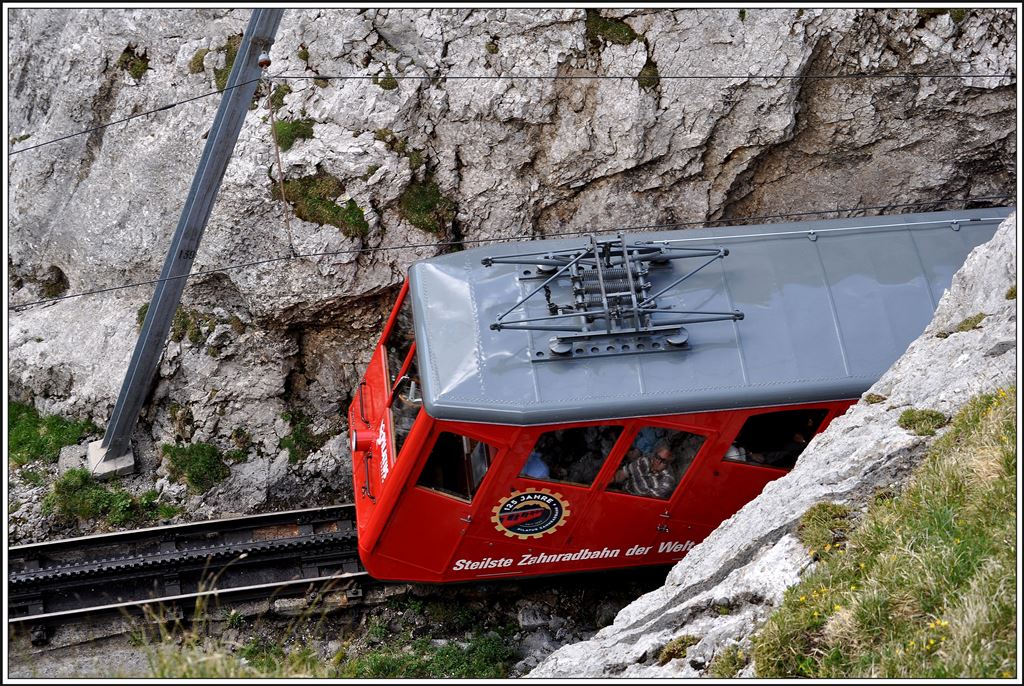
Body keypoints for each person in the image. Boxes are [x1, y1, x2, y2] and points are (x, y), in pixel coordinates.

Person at [614, 440, 679, 499]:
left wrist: (619, 494)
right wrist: (610, 481)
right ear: (654, 455)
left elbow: (645, 500)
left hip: (632, 501)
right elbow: (622, 474)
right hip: (622, 491)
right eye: (657, 457)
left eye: (663, 461)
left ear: (669, 463)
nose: (658, 462)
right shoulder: (644, 461)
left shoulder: (668, 481)